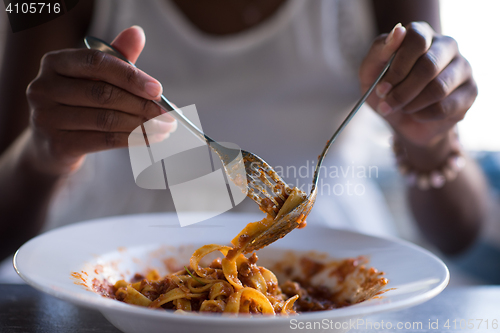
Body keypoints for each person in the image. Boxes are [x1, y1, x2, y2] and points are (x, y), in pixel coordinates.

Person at [0, 0, 488, 269]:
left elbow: (461, 231)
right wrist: (43, 157)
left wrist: (431, 141)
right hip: (115, 268)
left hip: (338, 273)